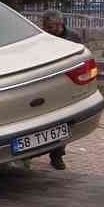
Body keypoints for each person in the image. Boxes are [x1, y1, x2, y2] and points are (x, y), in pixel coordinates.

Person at [40, 9, 70, 170]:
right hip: (43, 86)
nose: (56, 29)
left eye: (58, 25)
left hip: (64, 85)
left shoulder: (71, 38)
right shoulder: (40, 39)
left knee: (61, 122)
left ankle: (57, 155)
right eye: (51, 27)